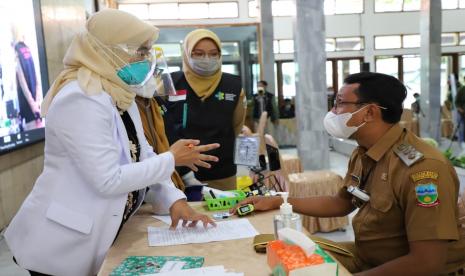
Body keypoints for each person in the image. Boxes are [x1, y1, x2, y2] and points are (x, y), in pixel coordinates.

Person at [5, 10, 219, 276]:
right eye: (140, 52)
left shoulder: (117, 92)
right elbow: (107, 179)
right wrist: (172, 159)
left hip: (103, 231)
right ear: (108, 49)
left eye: (147, 53)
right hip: (62, 244)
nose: (145, 60)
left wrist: (175, 200)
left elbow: (144, 155)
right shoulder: (81, 97)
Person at [233, 72, 465, 275]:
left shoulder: (423, 170)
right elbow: (341, 203)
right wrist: (277, 201)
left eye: (339, 104)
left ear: (369, 112)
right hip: (367, 257)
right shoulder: (365, 152)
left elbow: (426, 263)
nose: (332, 112)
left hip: (400, 268)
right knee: (270, 248)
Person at [159, 29, 247, 191]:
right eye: (198, 53)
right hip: (177, 172)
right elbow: (158, 126)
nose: (207, 59)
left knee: (226, 214)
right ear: (186, 53)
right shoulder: (168, 83)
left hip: (221, 172)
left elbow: (236, 126)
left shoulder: (234, 86)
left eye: (213, 54)